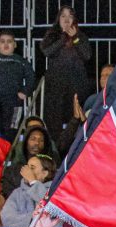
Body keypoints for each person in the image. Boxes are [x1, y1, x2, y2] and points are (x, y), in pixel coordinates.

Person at [40, 5, 92, 136]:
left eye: (70, 16)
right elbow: (47, 51)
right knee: (53, 120)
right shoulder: (52, 34)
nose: (67, 19)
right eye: (63, 16)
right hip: (56, 84)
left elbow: (87, 55)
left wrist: (75, 38)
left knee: (74, 118)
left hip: (76, 84)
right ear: (58, 19)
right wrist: (63, 38)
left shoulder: (81, 36)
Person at [1, 122, 56, 197]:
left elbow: (52, 202)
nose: (37, 143)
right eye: (33, 139)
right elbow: (11, 200)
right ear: (25, 142)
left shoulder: (52, 171)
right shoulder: (11, 172)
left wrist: (33, 182)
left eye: (41, 140)